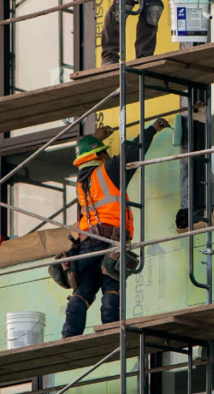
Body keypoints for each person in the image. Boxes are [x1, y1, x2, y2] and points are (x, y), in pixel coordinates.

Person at [61, 117, 170, 338]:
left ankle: (69, 334)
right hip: (110, 241)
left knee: (82, 292)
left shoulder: (81, 183)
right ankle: (111, 330)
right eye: (105, 152)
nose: (109, 156)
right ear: (99, 155)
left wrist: (96, 138)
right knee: (112, 284)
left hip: (85, 248)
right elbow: (132, 152)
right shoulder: (108, 170)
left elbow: (81, 145)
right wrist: (152, 130)